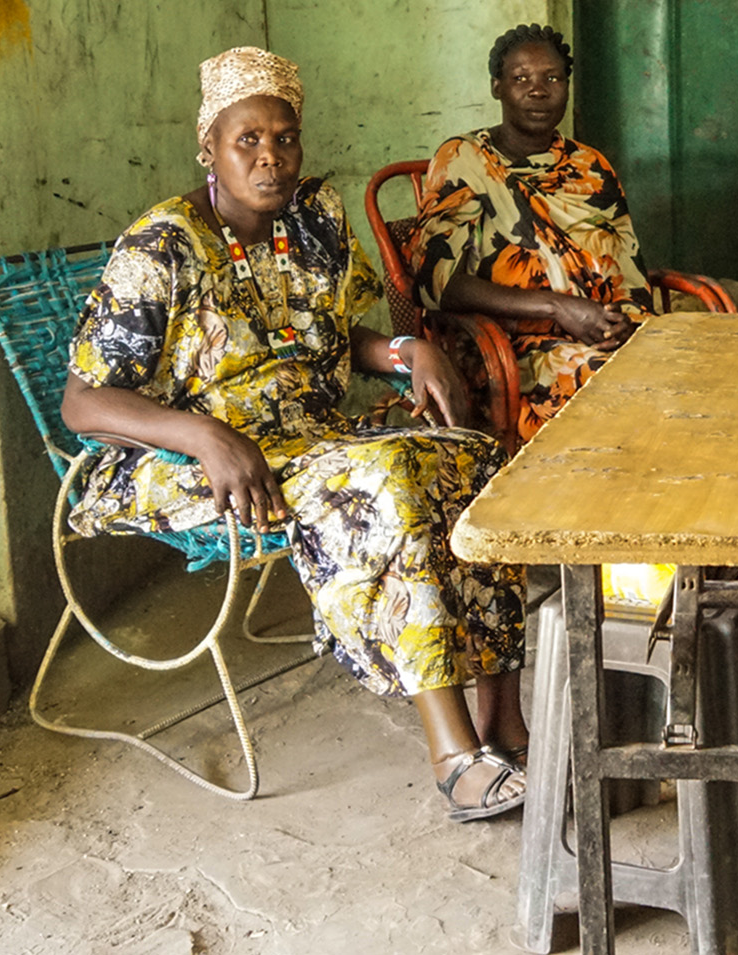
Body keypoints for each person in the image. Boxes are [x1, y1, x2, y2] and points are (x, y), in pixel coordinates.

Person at [61, 47, 530, 822]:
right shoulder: (162, 245)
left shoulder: (312, 219)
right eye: (248, 139)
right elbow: (83, 402)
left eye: (285, 137)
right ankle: (451, 755)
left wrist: (408, 349)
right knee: (382, 488)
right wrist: (204, 434)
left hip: (306, 433)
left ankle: (499, 719)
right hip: (183, 456)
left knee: (476, 459)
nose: (270, 157)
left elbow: (330, 340)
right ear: (208, 146)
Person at [410, 24, 655, 444]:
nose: (538, 90)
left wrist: (624, 324)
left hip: (603, 337)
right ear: (496, 87)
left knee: (687, 371)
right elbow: (437, 285)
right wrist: (557, 308)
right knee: (622, 386)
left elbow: (629, 270)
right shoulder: (465, 160)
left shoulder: (591, 166)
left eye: (552, 78)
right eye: (521, 78)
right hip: (507, 351)